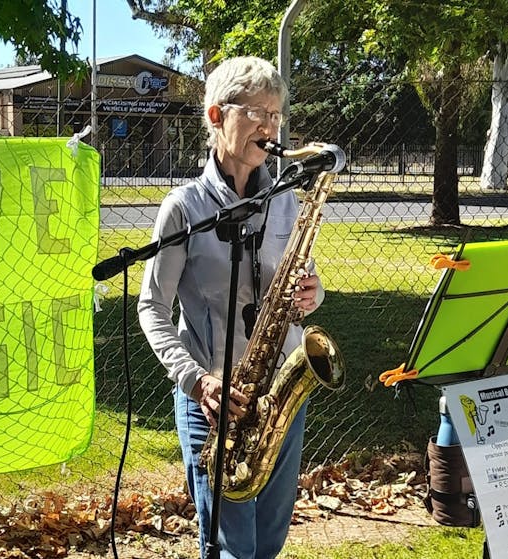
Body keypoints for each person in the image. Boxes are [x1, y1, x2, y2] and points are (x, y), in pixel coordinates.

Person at [137, 56, 325, 559]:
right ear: (217, 116)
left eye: (277, 115)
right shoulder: (184, 207)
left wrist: (313, 293)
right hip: (215, 398)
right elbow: (151, 306)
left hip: (280, 394)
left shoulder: (287, 199)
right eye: (257, 112)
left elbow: (307, 278)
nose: (270, 126)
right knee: (230, 545)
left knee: (268, 543)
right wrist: (196, 380)